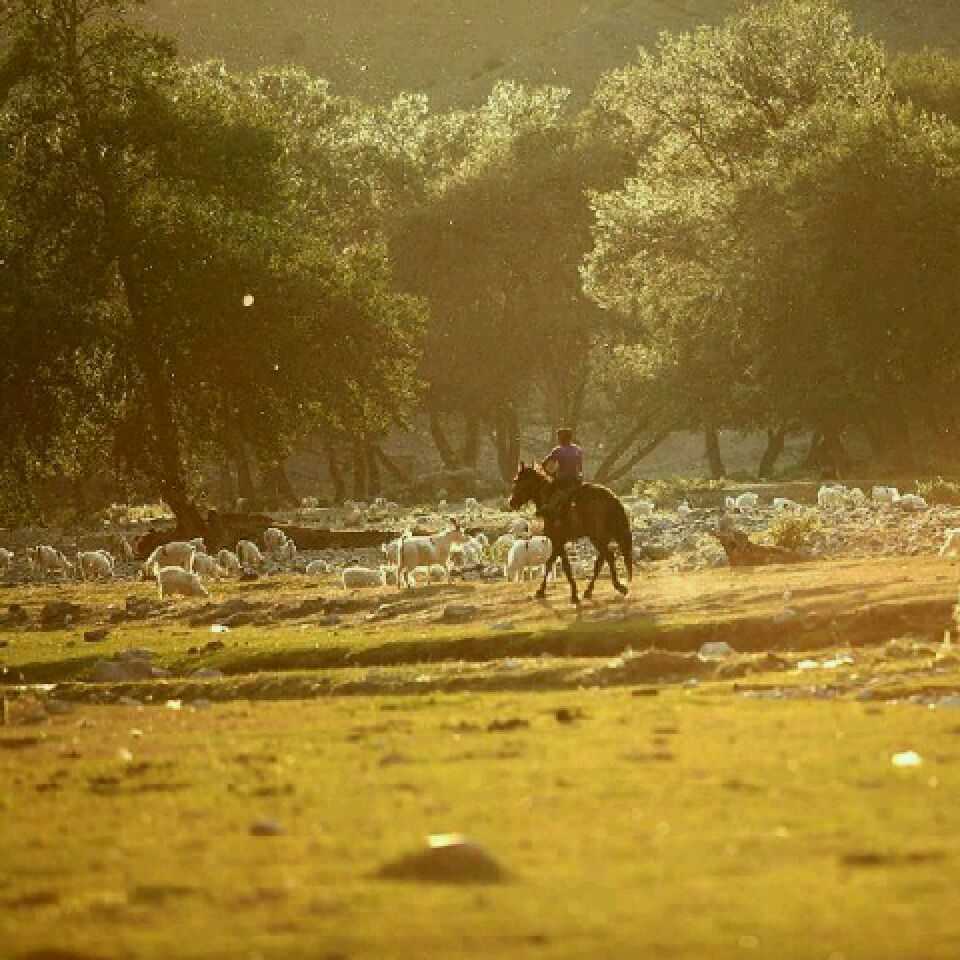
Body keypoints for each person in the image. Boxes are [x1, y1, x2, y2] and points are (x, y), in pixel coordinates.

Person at [540, 427, 583, 520]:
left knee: (546, 490)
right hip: (575, 479)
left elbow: (544, 464)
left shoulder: (558, 450)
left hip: (562, 478)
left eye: (559, 437)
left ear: (562, 438)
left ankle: (548, 508)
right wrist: (580, 476)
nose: (558, 439)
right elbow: (580, 467)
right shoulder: (577, 449)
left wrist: (550, 474)